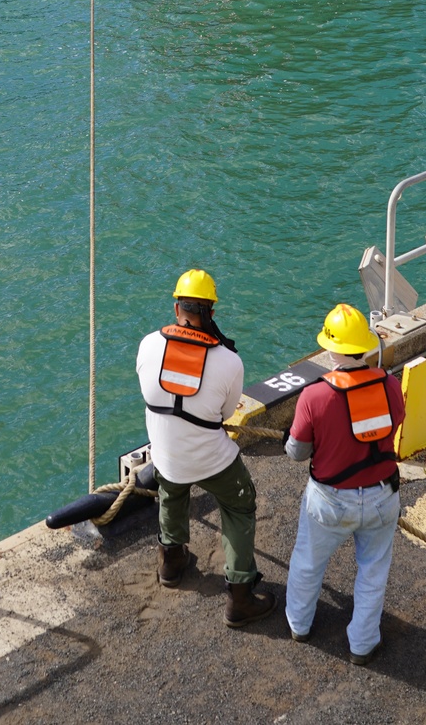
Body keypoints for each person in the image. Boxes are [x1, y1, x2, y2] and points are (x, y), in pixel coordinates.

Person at [136, 269, 275, 625]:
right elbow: (227, 413)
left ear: (175, 306)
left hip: (165, 455)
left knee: (172, 486)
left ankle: (171, 562)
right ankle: (240, 597)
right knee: (240, 505)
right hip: (213, 460)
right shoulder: (229, 361)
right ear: (211, 312)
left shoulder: (149, 345)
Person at [283, 303, 405, 665]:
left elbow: (296, 453)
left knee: (307, 563)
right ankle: (363, 644)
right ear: (365, 347)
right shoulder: (391, 385)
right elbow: (393, 426)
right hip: (382, 496)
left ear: (331, 349)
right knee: (373, 570)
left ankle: (299, 625)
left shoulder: (314, 396)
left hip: (330, 501)